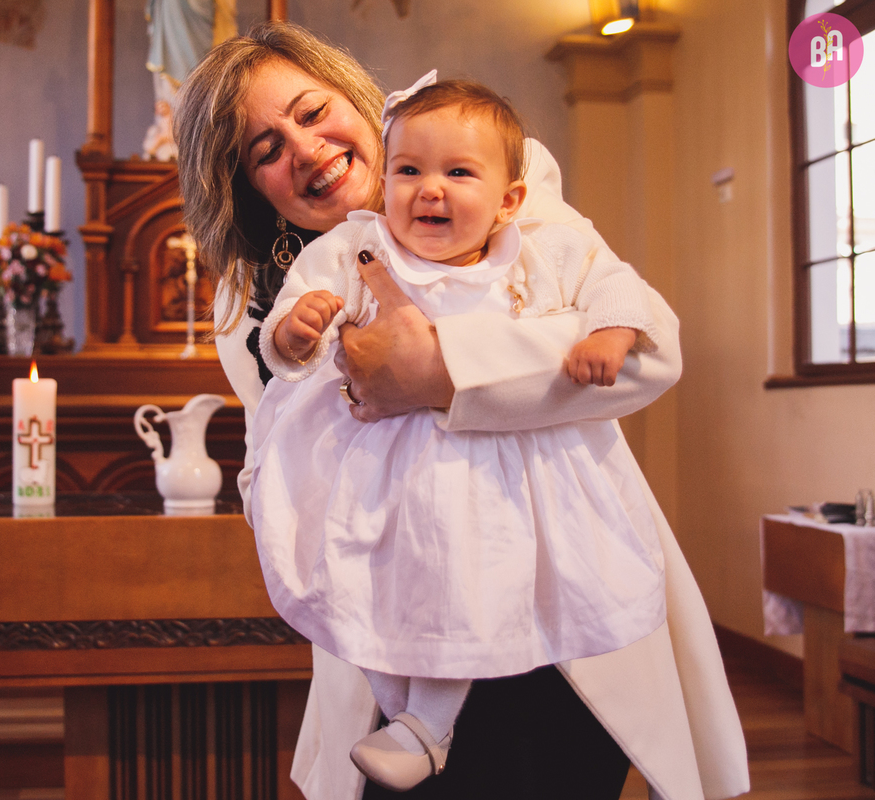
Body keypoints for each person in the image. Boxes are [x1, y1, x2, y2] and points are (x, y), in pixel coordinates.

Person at [173, 21, 749, 800]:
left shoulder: (488, 179)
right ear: (246, 184)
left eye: (311, 113)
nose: (304, 150)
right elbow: (280, 459)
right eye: (265, 149)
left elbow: (646, 351)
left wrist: (437, 374)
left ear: (358, 101)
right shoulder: (253, 304)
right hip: (398, 623)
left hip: (554, 590)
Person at [250, 73, 668, 793]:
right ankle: (409, 716)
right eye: (409, 171)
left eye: (314, 113)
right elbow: (288, 348)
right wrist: (297, 330)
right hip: (389, 499)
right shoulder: (352, 252)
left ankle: (424, 725)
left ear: (507, 199)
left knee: (477, 595)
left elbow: (620, 288)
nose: (429, 189)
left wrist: (610, 328)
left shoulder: (534, 243)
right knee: (383, 596)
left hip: (514, 503)